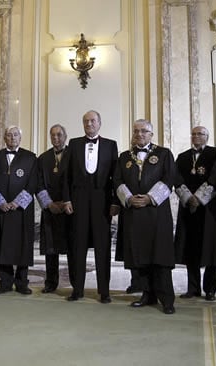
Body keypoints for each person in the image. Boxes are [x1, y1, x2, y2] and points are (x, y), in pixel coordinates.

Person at [114, 119, 177, 314]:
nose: (139, 134)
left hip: (156, 213)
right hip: (134, 213)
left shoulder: (164, 153)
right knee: (139, 256)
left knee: (160, 256)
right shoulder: (124, 156)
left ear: (151, 134)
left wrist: (150, 198)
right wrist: (129, 198)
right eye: (136, 131)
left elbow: (169, 179)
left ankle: (167, 299)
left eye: (143, 131)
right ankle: (147, 294)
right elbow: (117, 180)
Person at [63, 110, 120, 303]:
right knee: (77, 246)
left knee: (102, 247)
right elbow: (66, 176)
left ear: (99, 123)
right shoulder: (73, 144)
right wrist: (67, 199)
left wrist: (115, 202)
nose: (89, 124)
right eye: (86, 121)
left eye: (93, 121)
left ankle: (104, 291)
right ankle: (77, 289)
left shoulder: (111, 145)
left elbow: (116, 177)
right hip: (78, 200)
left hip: (102, 200)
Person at [174, 126, 216, 302]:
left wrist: (200, 198)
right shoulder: (182, 157)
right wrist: (188, 198)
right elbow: (177, 179)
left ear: (207, 137)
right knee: (190, 248)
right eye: (194, 134)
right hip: (188, 208)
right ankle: (192, 288)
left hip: (209, 209)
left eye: (200, 134)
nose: (196, 136)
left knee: (211, 249)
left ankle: (210, 289)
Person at [0, 125, 38, 295]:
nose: (12, 138)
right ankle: (5, 281)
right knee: (2, 244)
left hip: (21, 210)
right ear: (4, 138)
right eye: (9, 135)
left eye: (15, 135)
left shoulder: (30, 157)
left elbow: (33, 183)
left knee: (22, 245)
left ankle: (22, 282)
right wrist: (0, 201)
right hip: (1, 209)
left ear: (20, 138)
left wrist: (17, 202)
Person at [36, 124, 70, 293]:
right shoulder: (43, 158)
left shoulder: (74, 155)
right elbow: (38, 183)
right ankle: (50, 282)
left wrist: (67, 202)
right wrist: (49, 204)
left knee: (72, 248)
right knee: (51, 249)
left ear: (65, 136)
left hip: (69, 209)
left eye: (59, 135)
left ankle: (75, 283)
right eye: (53, 135)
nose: (56, 138)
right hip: (50, 209)